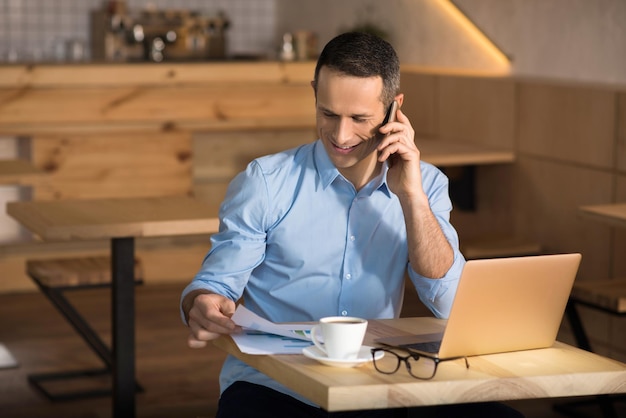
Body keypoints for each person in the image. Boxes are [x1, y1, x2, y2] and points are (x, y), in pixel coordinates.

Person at [180, 32, 521, 418]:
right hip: (273, 384)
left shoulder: (426, 185)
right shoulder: (265, 182)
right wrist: (204, 303)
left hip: (372, 382)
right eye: (328, 113)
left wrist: (411, 197)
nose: (341, 136)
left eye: (359, 119)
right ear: (314, 93)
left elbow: (450, 303)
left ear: (394, 109)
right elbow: (216, 284)